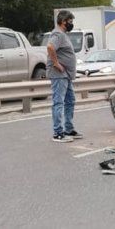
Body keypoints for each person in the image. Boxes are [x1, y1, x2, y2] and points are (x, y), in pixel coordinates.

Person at [46, 10, 82, 143]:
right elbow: (50, 47)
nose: (71, 24)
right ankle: (58, 133)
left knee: (70, 100)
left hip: (66, 75)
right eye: (70, 22)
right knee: (59, 102)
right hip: (59, 75)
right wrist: (56, 63)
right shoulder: (58, 34)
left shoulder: (63, 34)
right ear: (63, 21)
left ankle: (68, 129)